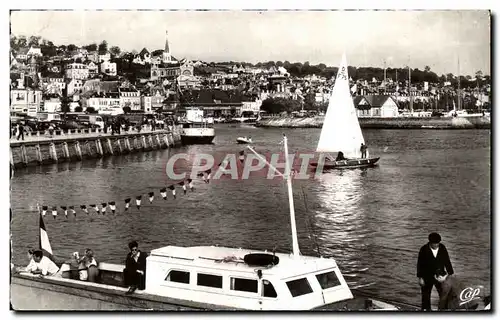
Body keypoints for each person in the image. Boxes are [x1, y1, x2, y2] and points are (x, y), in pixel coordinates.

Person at [417, 232, 454, 311]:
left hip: (440, 275)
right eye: (435, 244)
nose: (436, 245)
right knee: (425, 296)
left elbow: (447, 261)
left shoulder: (442, 247)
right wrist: (420, 278)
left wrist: (449, 275)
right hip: (427, 275)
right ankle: (426, 312)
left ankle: (443, 311)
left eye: (438, 243)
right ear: (430, 243)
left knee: (444, 294)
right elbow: (420, 264)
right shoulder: (424, 249)